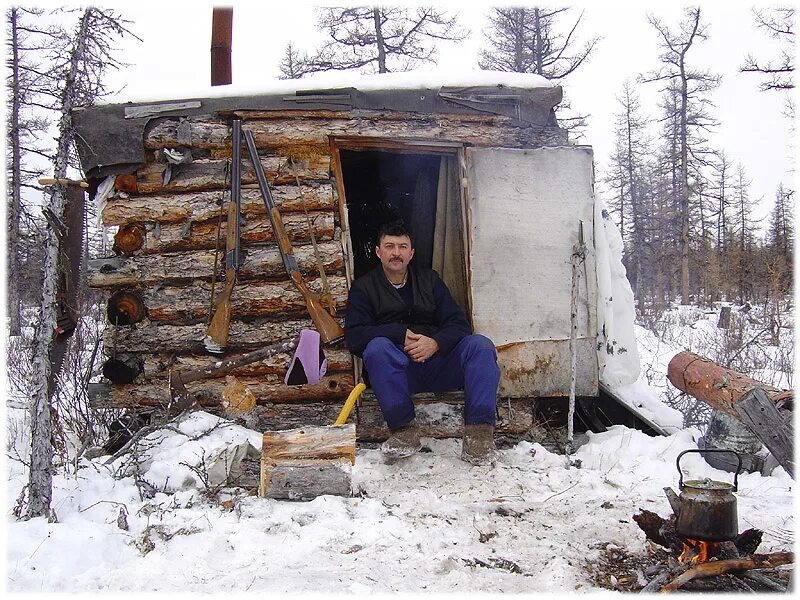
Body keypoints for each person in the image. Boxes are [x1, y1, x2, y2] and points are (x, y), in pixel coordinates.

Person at [344, 220, 500, 465]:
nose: (396, 253)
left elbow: (459, 325)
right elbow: (354, 337)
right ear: (378, 252)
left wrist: (436, 342)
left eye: (403, 246)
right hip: (398, 374)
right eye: (389, 246)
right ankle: (404, 432)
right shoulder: (364, 288)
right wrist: (398, 334)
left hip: (438, 366)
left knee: (480, 346)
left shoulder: (430, 280)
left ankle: (479, 435)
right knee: (376, 348)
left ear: (412, 252)